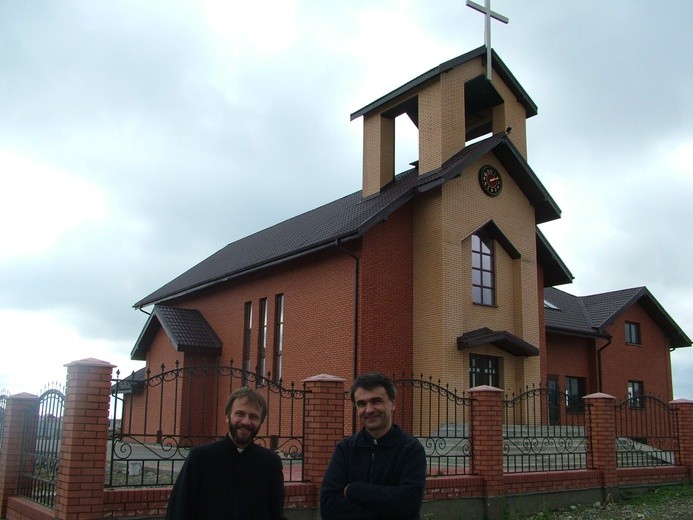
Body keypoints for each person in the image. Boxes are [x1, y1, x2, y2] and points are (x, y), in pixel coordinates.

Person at [165, 387, 287, 520]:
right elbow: (179, 510)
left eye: (253, 416)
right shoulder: (200, 458)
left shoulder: (270, 463)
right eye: (240, 414)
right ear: (227, 417)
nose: (246, 422)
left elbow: (276, 513)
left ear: (261, 422)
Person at [320, 372, 427, 519]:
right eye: (361, 404)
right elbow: (328, 507)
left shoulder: (410, 449)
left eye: (376, 401)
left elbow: (409, 504)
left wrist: (354, 490)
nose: (369, 410)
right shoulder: (345, 449)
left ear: (393, 403)